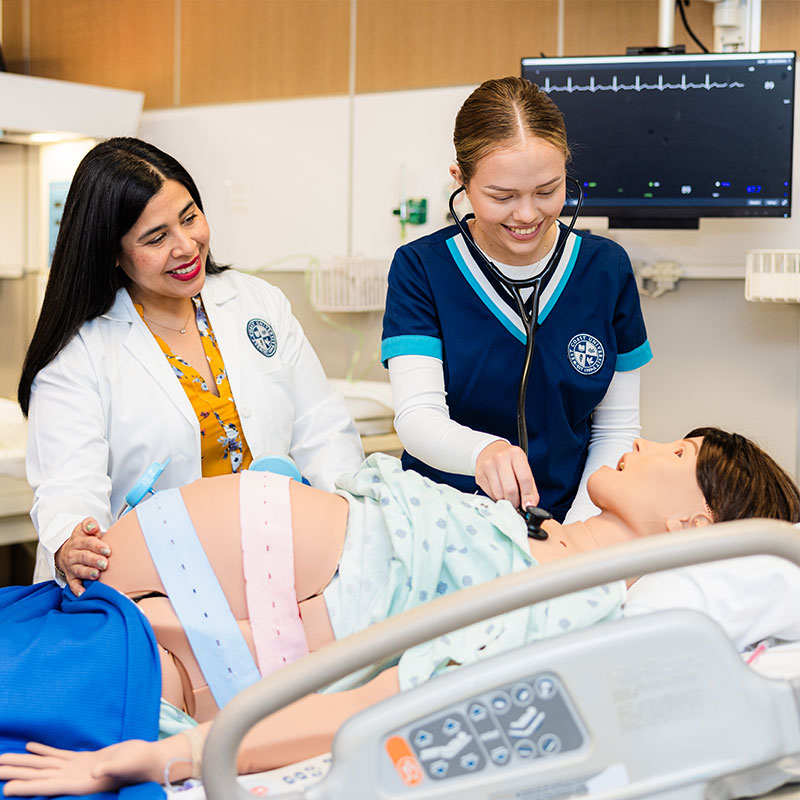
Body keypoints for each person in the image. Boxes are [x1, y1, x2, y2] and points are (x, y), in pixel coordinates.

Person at [0, 428, 798, 796]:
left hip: (151, 661)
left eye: (681, 456)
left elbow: (377, 706)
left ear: (692, 528)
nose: (653, 445)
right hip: (113, 595)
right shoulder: (536, 537)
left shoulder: (568, 608)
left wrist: (148, 762)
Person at [17, 137, 364, 595]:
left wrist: (347, 522)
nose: (186, 245)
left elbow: (322, 431)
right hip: (157, 583)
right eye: (156, 238)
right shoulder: (81, 348)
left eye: (189, 217)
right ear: (113, 253)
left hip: (280, 563)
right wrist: (73, 540)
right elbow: (70, 482)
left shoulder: (254, 302)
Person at [382, 76, 651, 524]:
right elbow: (417, 419)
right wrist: (481, 451)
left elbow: (615, 429)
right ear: (461, 181)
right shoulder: (422, 269)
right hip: (443, 523)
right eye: (502, 196)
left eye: (548, 191)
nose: (528, 215)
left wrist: (579, 533)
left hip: (568, 517)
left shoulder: (606, 269)